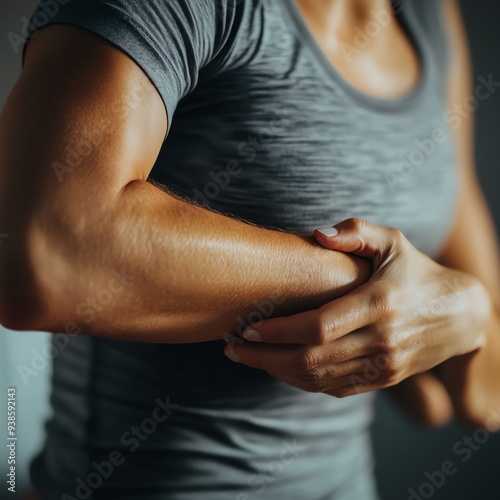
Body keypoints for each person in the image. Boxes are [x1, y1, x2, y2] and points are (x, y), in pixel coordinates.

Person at [0, 0, 499, 498]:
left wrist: (469, 314)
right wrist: (373, 289)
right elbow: (48, 256)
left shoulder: (431, 15)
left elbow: (478, 399)